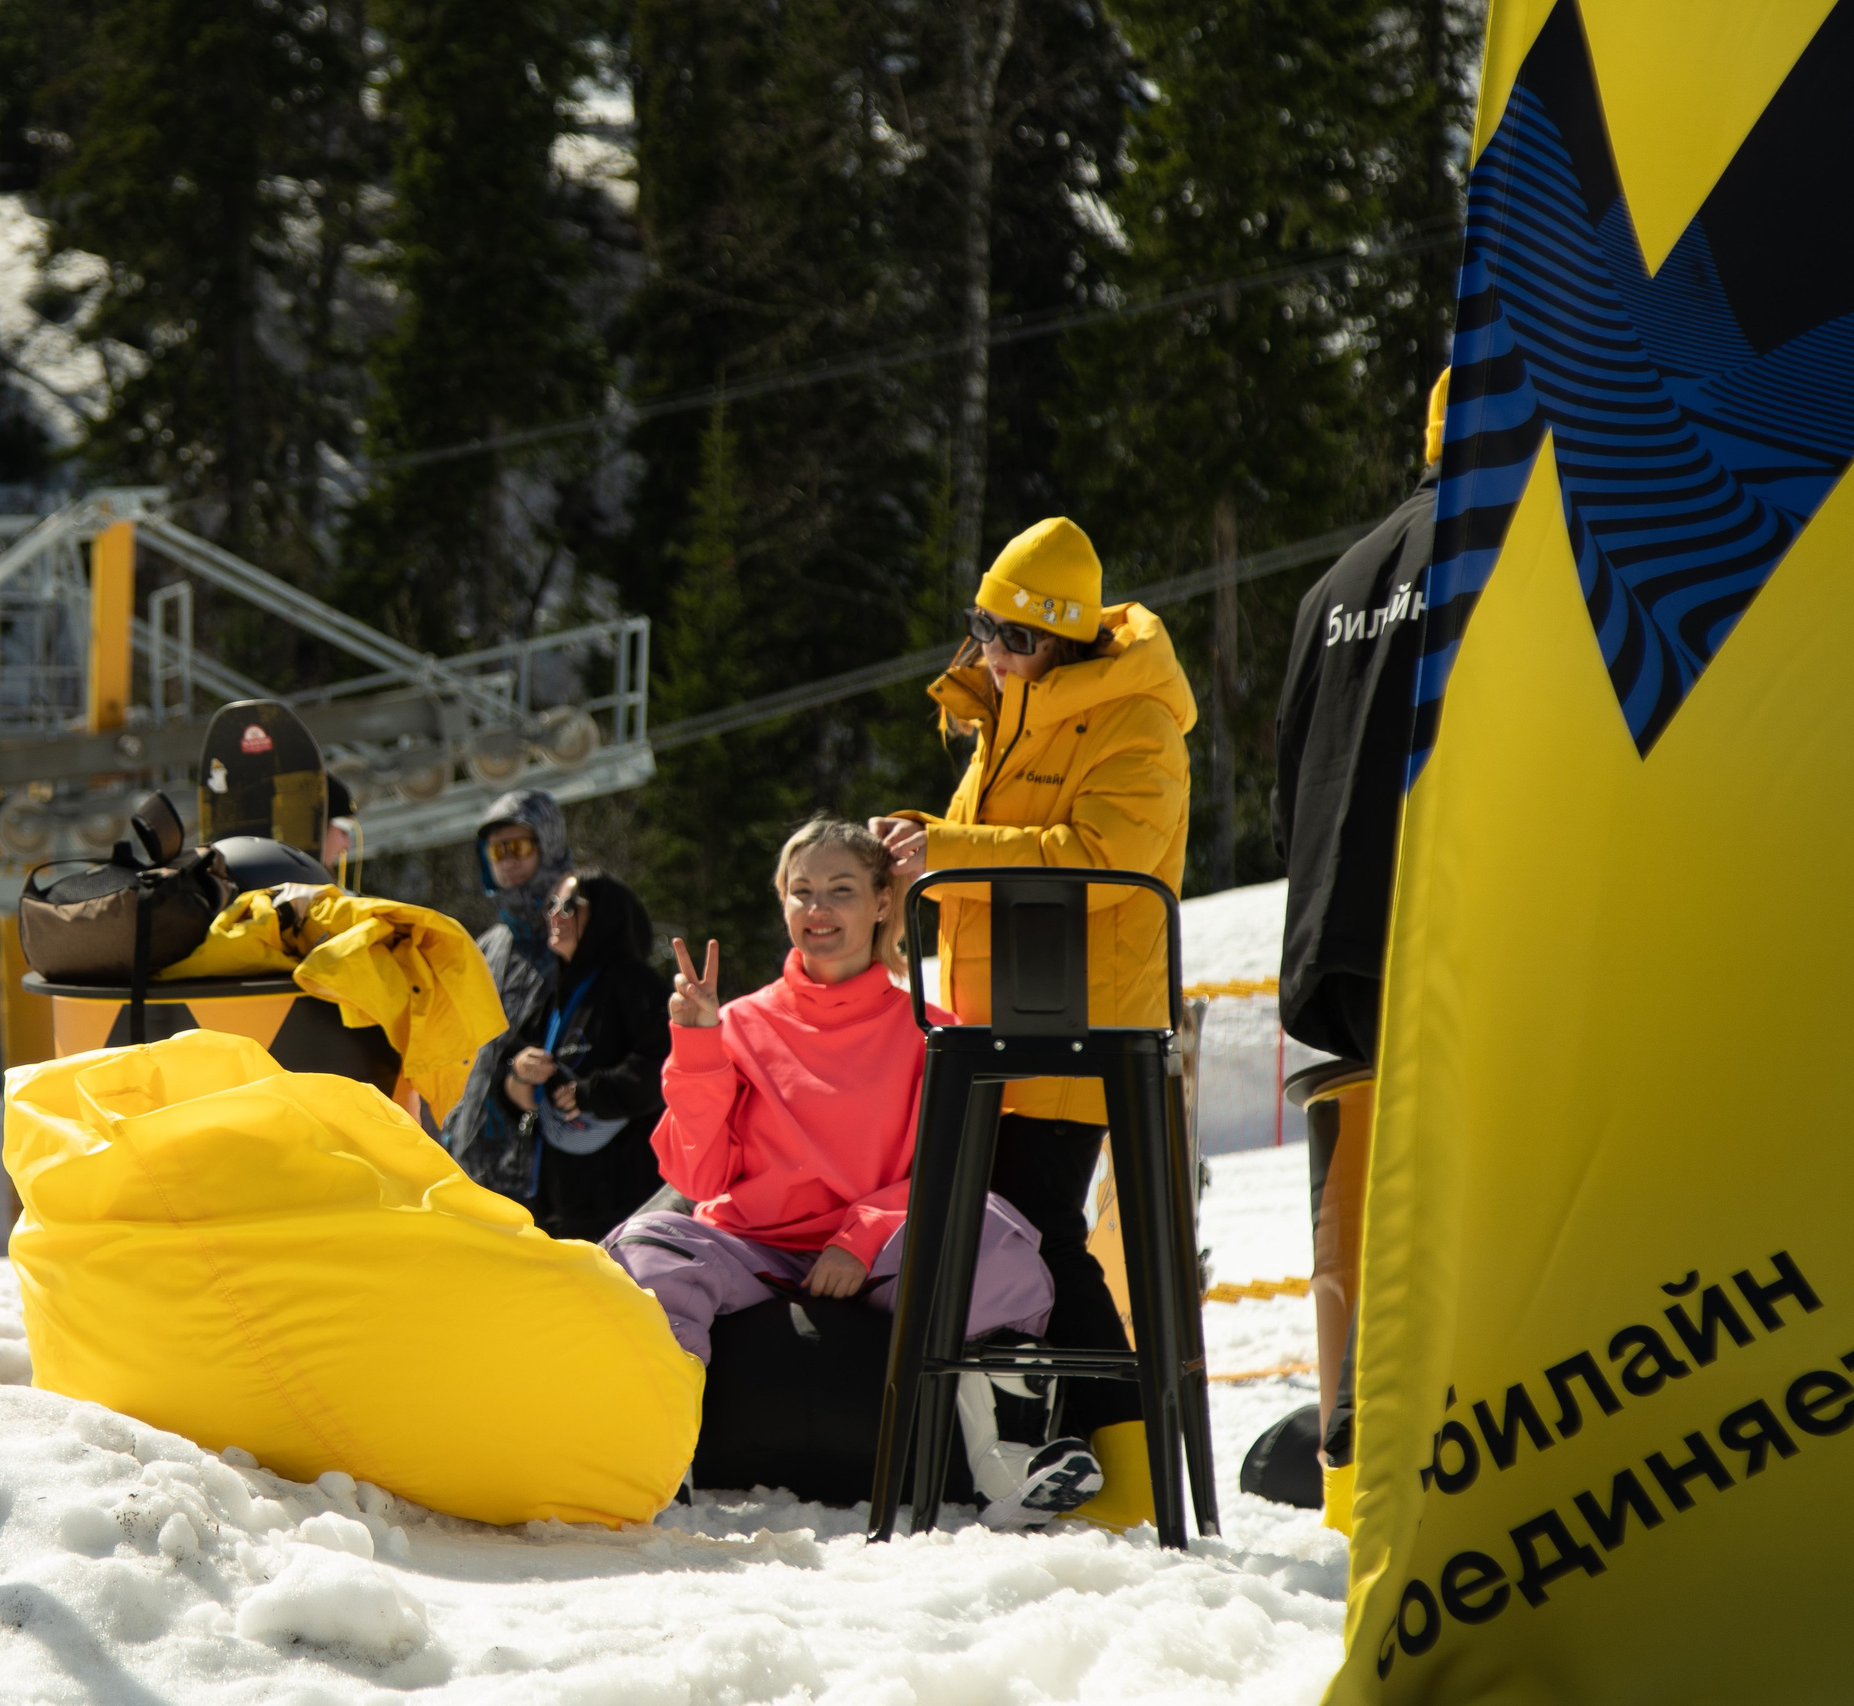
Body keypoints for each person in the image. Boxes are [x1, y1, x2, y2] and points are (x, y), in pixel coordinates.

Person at [603, 819, 1102, 1526]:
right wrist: (696, 1046)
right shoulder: (738, 1023)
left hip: (879, 1251)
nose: (819, 910)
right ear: (782, 904)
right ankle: (655, 1460)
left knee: (995, 1239)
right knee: (648, 1245)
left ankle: (1009, 1466)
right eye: (801, 892)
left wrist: (859, 1236)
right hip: (754, 1246)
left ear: (880, 904)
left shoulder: (932, 1025)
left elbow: (949, 1165)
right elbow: (696, 1170)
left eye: (841, 890)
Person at [868, 514, 1197, 1527]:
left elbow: (1107, 858)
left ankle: (1132, 1467)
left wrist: (948, 844)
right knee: (1002, 1233)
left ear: (1062, 638)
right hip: (990, 1018)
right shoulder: (1010, 708)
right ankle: (1036, 1451)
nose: (992, 654)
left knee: (1041, 1228)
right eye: (982, 629)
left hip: (1082, 1021)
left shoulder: (1133, 719)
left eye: (1013, 637)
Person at [1261, 367, 1450, 1524]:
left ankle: (1363, 1436)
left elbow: (1296, 779)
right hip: (1475, 922)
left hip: (1349, 937)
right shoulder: (1521, 546)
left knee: (1395, 1201)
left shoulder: (1334, 584)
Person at [494, 870, 670, 1240]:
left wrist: (589, 1094)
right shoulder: (554, 995)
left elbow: (664, 1066)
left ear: (606, 914)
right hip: (560, 1206)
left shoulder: (633, 982)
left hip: (631, 1204)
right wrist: (520, 1073)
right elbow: (508, 1077)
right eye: (551, 905)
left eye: (570, 905)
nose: (555, 916)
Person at [446, 791, 573, 1192]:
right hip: (471, 1164)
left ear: (547, 845)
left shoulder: (577, 935)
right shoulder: (487, 947)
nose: (509, 861)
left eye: (518, 846)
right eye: (496, 852)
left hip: (552, 1168)